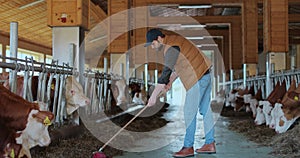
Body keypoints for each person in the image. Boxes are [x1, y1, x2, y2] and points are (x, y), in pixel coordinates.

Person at [144, 28, 216, 157]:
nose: (153, 47)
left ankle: (188, 147)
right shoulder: (175, 42)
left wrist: (153, 97)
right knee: (205, 110)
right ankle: (210, 144)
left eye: (153, 44)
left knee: (189, 112)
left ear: (159, 39)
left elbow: (166, 72)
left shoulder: (170, 47)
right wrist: (170, 82)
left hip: (197, 78)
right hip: (205, 74)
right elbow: (180, 67)